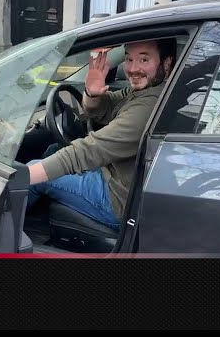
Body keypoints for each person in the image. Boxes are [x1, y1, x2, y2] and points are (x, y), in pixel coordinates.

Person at [26, 38, 177, 230]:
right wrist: (93, 93)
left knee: (32, 170)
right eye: (129, 59)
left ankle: (6, 237)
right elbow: (104, 109)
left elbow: (89, 150)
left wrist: (23, 176)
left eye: (144, 60)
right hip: (118, 176)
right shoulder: (146, 92)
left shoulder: (148, 107)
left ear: (167, 63)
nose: (132, 69)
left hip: (118, 200)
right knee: (54, 149)